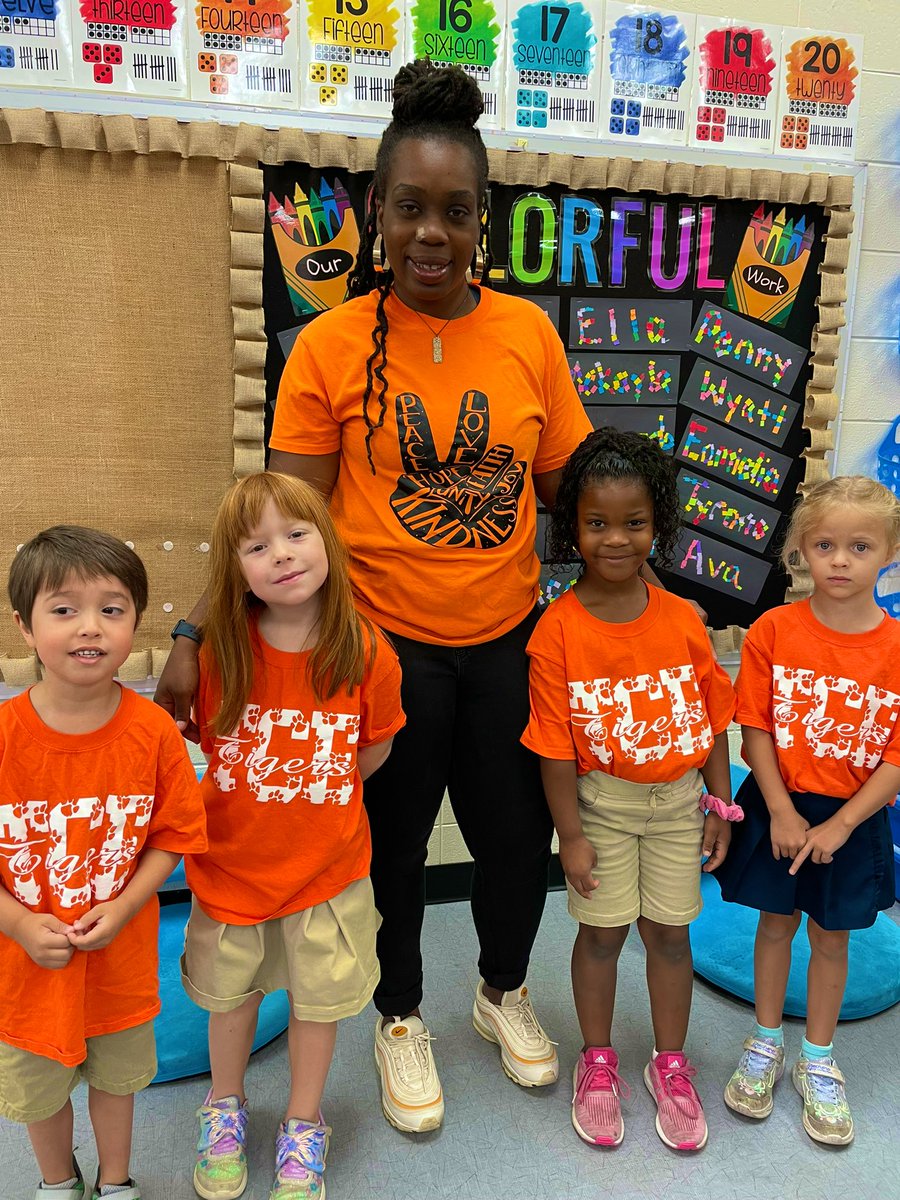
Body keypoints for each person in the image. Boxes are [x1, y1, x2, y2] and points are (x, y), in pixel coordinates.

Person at [157, 59, 599, 1133]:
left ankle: (501, 993)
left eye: (456, 211)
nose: (432, 234)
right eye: (410, 209)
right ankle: (400, 1016)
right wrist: (190, 631)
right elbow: (276, 527)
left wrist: (645, 627)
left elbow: (580, 496)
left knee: (513, 841)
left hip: (507, 642)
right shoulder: (331, 346)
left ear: (482, 219)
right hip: (376, 654)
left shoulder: (530, 336)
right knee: (388, 852)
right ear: (377, 214)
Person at [181, 473, 404, 1200]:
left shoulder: (367, 651)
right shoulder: (219, 655)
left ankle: (303, 1123)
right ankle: (225, 1105)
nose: (281, 555)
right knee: (230, 998)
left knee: (318, 1005)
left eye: (297, 534)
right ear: (234, 568)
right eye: (257, 545)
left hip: (327, 874)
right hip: (231, 871)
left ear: (329, 543)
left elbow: (370, 755)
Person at [522, 429, 737, 1153]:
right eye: (597, 523)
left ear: (659, 526)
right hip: (602, 809)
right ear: (572, 527)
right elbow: (553, 750)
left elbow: (711, 722)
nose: (616, 540)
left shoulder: (682, 620)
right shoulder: (556, 631)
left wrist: (719, 803)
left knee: (671, 935)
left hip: (679, 805)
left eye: (635, 523)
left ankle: (669, 1064)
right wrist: (572, 837)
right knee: (603, 933)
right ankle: (598, 1059)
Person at [0, 527, 207, 1200]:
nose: (90, 627)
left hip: (119, 966)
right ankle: (57, 1183)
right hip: (25, 977)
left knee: (118, 1086)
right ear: (25, 626)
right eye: (64, 609)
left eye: (112, 610)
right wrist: (21, 926)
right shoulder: (4, 740)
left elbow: (174, 836)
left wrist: (123, 907)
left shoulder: (152, 733)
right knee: (38, 1094)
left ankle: (117, 1181)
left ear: (134, 622)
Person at [717, 475, 900, 1146]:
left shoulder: (896, 647)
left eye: (859, 546)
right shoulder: (773, 630)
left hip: (855, 817)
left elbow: (896, 761)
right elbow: (755, 727)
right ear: (800, 551)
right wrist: (782, 811)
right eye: (825, 544)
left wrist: (842, 823)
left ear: (890, 553)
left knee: (831, 938)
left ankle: (817, 1060)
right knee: (775, 925)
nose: (841, 560)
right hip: (779, 806)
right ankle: (765, 1043)